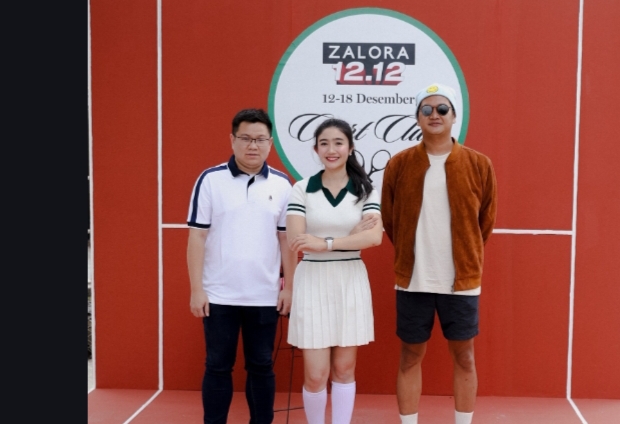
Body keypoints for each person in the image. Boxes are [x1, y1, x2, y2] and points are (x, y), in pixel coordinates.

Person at [381, 83, 498, 424]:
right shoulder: (399, 165)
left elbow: (485, 221)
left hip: (461, 281)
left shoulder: (479, 164)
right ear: (417, 117)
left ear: (454, 116)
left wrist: (467, 254)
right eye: (427, 109)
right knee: (409, 356)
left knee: (465, 357)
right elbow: (390, 220)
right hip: (413, 279)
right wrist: (410, 252)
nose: (435, 115)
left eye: (442, 109)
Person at [186, 108, 297, 424]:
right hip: (218, 295)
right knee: (217, 366)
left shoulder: (283, 184)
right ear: (232, 140)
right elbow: (197, 237)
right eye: (246, 138)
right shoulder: (210, 180)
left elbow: (286, 240)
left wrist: (290, 287)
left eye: (260, 139)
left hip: (264, 295)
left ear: (270, 143)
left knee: (261, 365)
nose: (253, 145)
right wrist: (197, 290)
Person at [286, 118, 383, 424]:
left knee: (343, 370)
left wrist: (325, 243)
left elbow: (374, 238)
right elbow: (297, 240)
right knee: (316, 375)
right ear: (315, 149)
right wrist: (350, 237)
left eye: (338, 143)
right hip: (312, 280)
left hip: (349, 279)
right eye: (324, 143)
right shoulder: (302, 189)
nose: (331, 149)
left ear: (350, 148)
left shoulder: (366, 190)